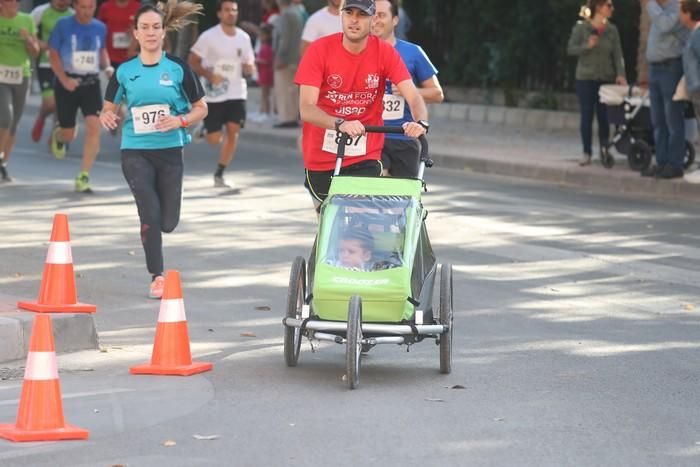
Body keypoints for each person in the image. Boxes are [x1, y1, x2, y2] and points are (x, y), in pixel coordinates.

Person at [100, 0, 208, 298]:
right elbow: (108, 109)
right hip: (134, 150)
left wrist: (179, 120)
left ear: (163, 32)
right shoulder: (124, 71)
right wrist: (107, 117)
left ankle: (156, 232)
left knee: (168, 222)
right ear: (135, 33)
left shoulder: (177, 69)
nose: (150, 33)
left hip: (170, 150)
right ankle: (156, 276)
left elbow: (201, 108)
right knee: (150, 210)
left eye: (155, 27)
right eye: (144, 28)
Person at [295, 0, 428, 211]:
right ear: (341, 15)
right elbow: (307, 108)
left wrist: (420, 122)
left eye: (362, 15)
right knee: (329, 225)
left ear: (373, 19)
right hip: (321, 156)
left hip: (365, 154)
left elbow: (413, 96)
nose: (354, 20)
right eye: (349, 13)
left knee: (358, 226)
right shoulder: (319, 50)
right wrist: (340, 123)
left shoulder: (384, 52)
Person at [188, 0, 255, 188]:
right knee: (214, 140)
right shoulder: (209, 37)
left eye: (234, 10)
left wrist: (249, 68)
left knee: (233, 132)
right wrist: (210, 75)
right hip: (214, 94)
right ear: (219, 14)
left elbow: (249, 63)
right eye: (227, 10)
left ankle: (220, 172)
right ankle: (205, 128)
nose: (231, 13)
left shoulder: (244, 37)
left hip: (237, 91)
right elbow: (193, 60)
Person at [373, 0, 443, 178]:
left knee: (404, 198)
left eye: (381, 15)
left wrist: (410, 90)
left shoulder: (413, 53)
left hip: (404, 136)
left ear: (395, 20)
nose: (375, 20)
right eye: (372, 15)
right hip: (371, 136)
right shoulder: (359, 52)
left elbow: (437, 93)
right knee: (375, 181)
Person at [48, 0, 111, 193]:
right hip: (67, 83)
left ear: (95, 7)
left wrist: (107, 66)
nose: (86, 11)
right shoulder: (63, 25)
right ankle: (59, 135)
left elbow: (101, 50)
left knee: (94, 126)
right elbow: (53, 53)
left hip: (90, 83)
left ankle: (83, 175)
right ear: (75, 7)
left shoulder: (100, 27)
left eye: (90, 7)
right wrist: (64, 79)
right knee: (69, 134)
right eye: (82, 7)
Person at [567, 0, 626, 167]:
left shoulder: (612, 30)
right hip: (585, 77)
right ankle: (586, 152)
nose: (612, 8)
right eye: (609, 5)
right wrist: (587, 45)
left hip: (605, 78)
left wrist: (620, 74)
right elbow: (571, 48)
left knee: (604, 117)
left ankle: (604, 150)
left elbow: (617, 54)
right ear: (598, 7)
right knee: (587, 115)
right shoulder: (581, 27)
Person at [642, 0, 689, 179]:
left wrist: (650, 4)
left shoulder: (677, 7)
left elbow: (664, 25)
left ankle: (675, 164)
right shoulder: (659, 9)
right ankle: (661, 162)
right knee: (658, 120)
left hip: (670, 68)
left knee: (673, 119)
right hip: (655, 68)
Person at [0, 0, 40, 182]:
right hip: (1, 76)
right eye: (10, 1)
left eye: (17, 1)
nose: (14, 4)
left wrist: (28, 39)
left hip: (21, 75)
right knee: (5, 118)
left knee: (14, 123)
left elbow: (35, 52)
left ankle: (4, 163)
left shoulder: (26, 20)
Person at [29, 0, 73, 146]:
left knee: (63, 103)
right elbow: (27, 29)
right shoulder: (41, 11)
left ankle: (57, 135)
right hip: (46, 63)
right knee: (51, 103)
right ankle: (42, 115)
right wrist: (40, 43)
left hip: (66, 65)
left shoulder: (73, 14)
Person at [272, 0, 303, 128]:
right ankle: (293, 116)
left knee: (284, 90)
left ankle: (286, 118)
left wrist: (280, 57)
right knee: (292, 91)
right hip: (295, 58)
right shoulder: (297, 13)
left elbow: (284, 38)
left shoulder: (285, 15)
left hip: (285, 60)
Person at [97, 0, 139, 70]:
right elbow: (99, 30)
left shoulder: (137, 7)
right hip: (109, 58)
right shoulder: (106, 7)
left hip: (131, 58)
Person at [254, 22, 274, 121]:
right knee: (264, 94)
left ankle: (266, 112)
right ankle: (263, 111)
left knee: (265, 94)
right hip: (264, 72)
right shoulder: (267, 46)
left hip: (266, 73)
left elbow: (267, 61)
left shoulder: (266, 47)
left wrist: (257, 60)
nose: (260, 38)